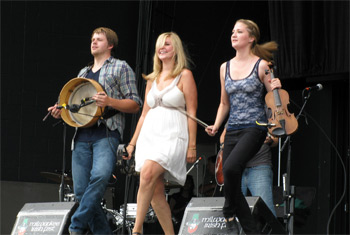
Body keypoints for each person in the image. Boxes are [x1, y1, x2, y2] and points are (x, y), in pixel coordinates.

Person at [48, 27, 142, 234]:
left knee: (100, 177)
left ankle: (75, 226)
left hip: (106, 133)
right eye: (92, 39)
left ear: (110, 45)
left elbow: (135, 104)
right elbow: (72, 105)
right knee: (81, 193)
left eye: (99, 39)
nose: (94, 42)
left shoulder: (121, 67)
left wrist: (110, 101)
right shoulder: (83, 73)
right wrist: (59, 110)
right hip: (81, 136)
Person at [205, 19, 281, 234]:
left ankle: (228, 210)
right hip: (233, 129)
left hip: (254, 126)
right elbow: (224, 103)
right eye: (232, 31)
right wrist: (217, 125)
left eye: (239, 31)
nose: (233, 35)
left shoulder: (262, 65)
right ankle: (251, 231)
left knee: (230, 168)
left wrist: (276, 87)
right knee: (230, 178)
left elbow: (275, 100)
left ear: (252, 37)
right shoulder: (224, 67)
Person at [123, 32, 197, 235]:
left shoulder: (184, 75)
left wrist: (192, 145)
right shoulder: (151, 80)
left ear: (176, 50)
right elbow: (144, 115)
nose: (162, 47)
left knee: (146, 174)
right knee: (155, 193)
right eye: (159, 44)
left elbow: (192, 112)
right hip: (150, 136)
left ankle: (136, 231)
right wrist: (132, 143)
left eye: (167, 44)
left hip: (173, 134)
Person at [220, 128, 278, 217]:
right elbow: (222, 138)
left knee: (266, 208)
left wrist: (270, 140)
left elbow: (276, 139)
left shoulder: (264, 115)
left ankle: (272, 230)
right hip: (238, 169)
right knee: (234, 206)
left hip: (259, 166)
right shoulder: (236, 116)